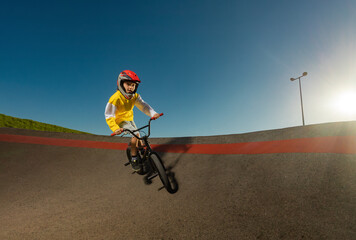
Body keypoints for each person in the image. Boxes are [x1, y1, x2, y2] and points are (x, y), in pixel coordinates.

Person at [105, 70, 160, 171]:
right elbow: (109, 115)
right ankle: (134, 159)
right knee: (136, 135)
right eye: (128, 84)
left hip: (130, 119)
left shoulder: (134, 96)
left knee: (139, 138)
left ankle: (139, 149)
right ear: (121, 83)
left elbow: (143, 106)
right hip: (120, 121)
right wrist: (115, 128)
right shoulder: (115, 98)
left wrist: (153, 113)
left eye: (133, 85)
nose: (131, 87)